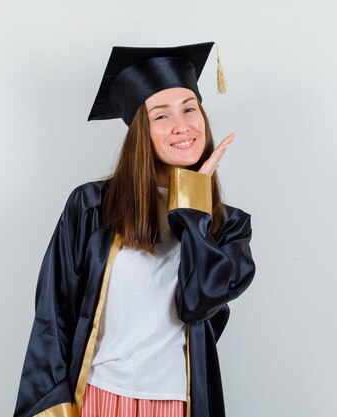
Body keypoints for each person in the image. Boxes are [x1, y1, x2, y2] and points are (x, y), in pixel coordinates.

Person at [13, 42, 256, 417]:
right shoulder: (93, 207)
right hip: (97, 397)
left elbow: (198, 304)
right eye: (161, 116)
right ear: (141, 131)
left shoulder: (229, 226)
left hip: (178, 402)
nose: (182, 126)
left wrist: (194, 205)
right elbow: (54, 313)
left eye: (190, 109)